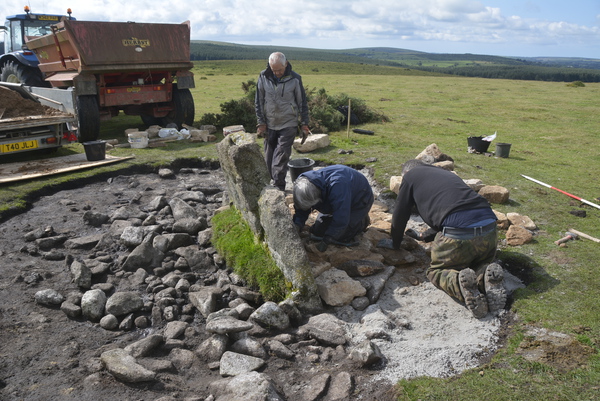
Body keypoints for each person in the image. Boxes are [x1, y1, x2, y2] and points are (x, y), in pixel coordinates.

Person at [380, 159, 506, 318]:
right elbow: (454, 207)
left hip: (459, 237)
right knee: (476, 262)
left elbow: (400, 213)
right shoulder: (446, 174)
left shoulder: (410, 177)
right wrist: (424, 235)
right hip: (490, 231)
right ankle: (485, 273)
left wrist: (395, 242)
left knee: (436, 271)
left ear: (405, 173)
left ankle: (460, 285)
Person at [255, 52, 310, 191]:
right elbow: (259, 101)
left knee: (280, 157)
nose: (277, 73)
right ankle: (268, 187)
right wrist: (261, 123)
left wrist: (304, 124)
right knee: (268, 159)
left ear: (286, 64)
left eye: (279, 69)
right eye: (274, 70)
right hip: (269, 123)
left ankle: (279, 187)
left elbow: (302, 102)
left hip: (288, 123)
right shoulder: (263, 76)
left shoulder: (295, 78)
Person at [292, 165, 373, 247]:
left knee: (342, 235)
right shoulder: (301, 184)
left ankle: (362, 221)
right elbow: (302, 207)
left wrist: (328, 239)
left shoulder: (338, 188)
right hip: (339, 195)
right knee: (318, 230)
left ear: (318, 197)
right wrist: (298, 224)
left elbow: (341, 219)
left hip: (359, 199)